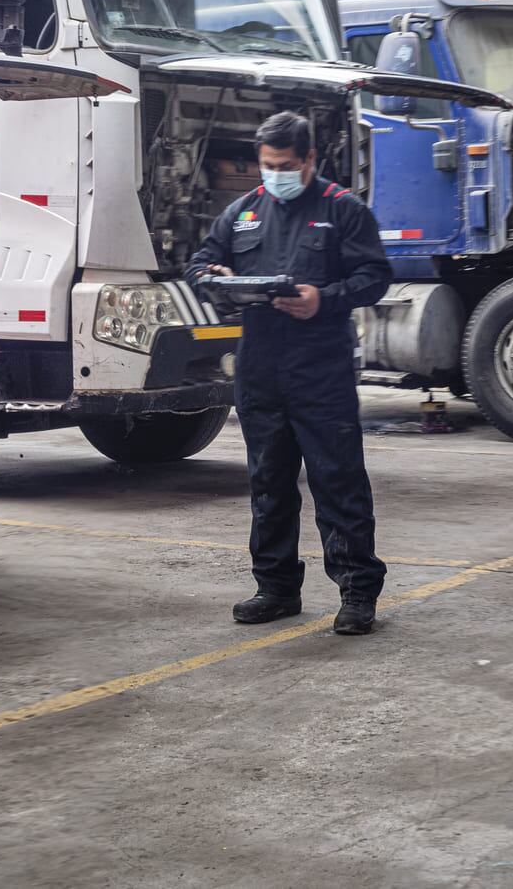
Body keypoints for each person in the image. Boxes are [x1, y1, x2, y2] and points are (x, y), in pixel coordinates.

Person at [191, 111, 393, 635]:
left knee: (337, 480)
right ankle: (276, 588)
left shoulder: (342, 210)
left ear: (309, 160)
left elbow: (375, 277)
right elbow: (199, 263)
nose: (275, 173)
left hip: (319, 368)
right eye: (267, 164)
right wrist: (215, 277)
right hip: (260, 368)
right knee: (268, 482)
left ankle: (356, 594)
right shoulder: (243, 213)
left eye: (284, 164)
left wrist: (323, 299)